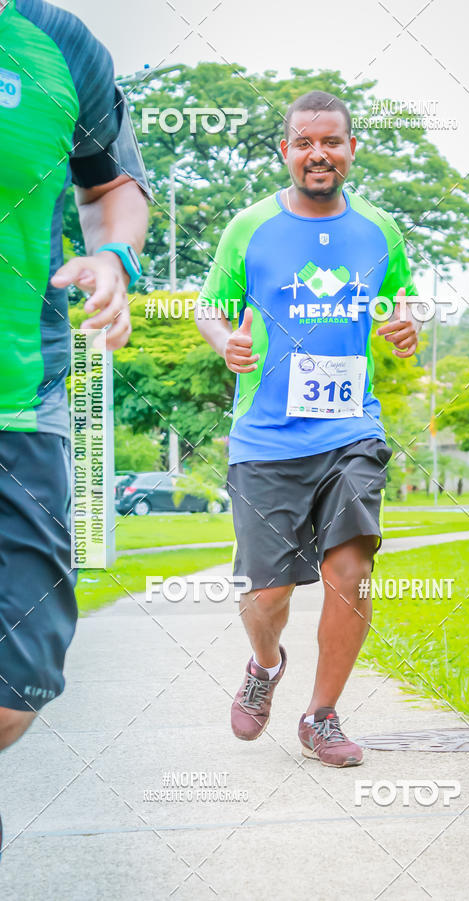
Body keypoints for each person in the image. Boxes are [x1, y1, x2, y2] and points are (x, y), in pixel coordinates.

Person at [195, 90, 420, 767]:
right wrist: (223, 342)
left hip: (351, 428)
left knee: (351, 569)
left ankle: (321, 715)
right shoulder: (249, 227)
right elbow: (212, 306)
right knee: (267, 595)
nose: (317, 153)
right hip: (265, 438)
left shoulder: (380, 230)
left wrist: (406, 324)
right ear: (286, 151)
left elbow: (399, 302)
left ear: (351, 150)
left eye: (331, 142)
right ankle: (265, 666)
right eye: (303, 143)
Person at [0, 0, 151, 845]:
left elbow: (110, 185)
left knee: (19, 679)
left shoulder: (55, 45)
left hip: (21, 402)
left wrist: (113, 256)